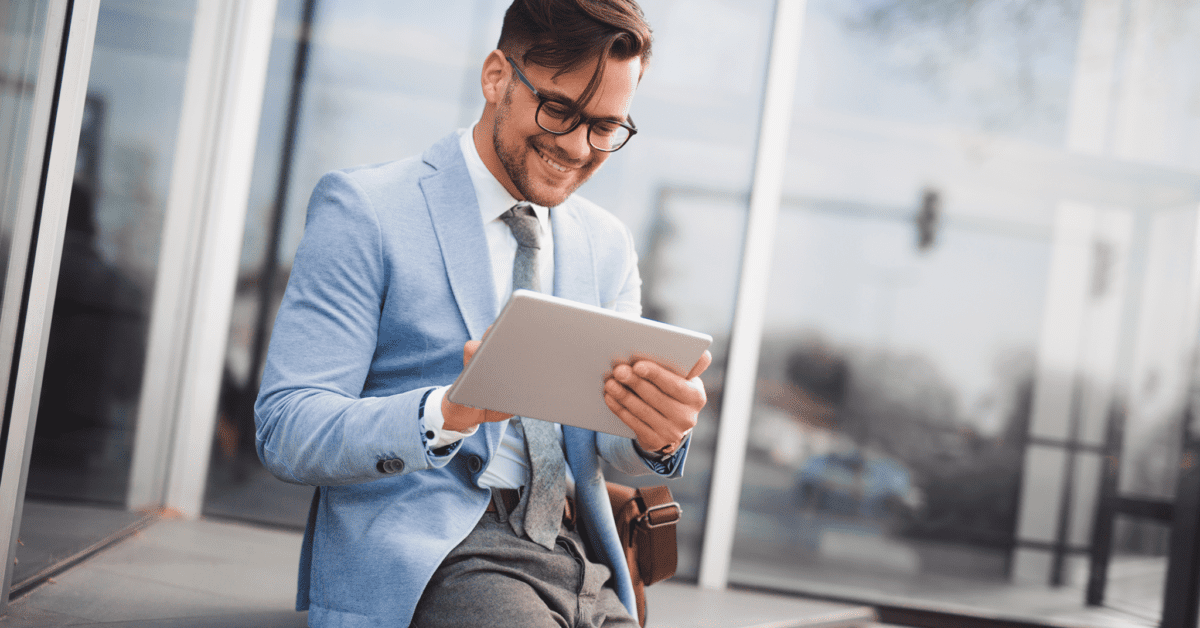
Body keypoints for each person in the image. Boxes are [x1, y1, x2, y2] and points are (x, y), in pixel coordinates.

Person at [254, 1, 710, 626]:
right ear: (497, 77)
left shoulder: (606, 245)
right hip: (434, 555)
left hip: (578, 556)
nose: (577, 146)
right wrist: (448, 413)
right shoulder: (367, 210)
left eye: (605, 126)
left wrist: (657, 432)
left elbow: (610, 445)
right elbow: (287, 428)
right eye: (559, 110)